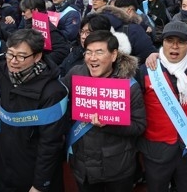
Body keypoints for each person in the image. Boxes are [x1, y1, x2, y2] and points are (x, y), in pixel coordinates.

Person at [62, 30, 146, 191]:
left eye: (99, 52)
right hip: (83, 166)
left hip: (117, 169)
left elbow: (139, 126)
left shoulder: (129, 86)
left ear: (114, 55)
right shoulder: (75, 74)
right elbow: (58, 98)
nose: (92, 58)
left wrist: (109, 123)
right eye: (89, 52)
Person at [0, 29, 68, 191]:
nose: (13, 61)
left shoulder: (53, 92)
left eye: (21, 56)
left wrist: (40, 184)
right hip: (5, 166)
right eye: (10, 54)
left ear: (37, 56)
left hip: (32, 172)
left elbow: (50, 144)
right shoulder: (2, 73)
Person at [137, 21, 187, 192]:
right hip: (156, 150)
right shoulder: (146, 70)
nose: (174, 46)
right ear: (162, 43)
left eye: (181, 42)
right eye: (169, 40)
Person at [20, 0, 70, 65]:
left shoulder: (51, 30)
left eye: (24, 11)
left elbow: (61, 51)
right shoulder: (28, 22)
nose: (22, 14)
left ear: (35, 10)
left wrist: (41, 62)